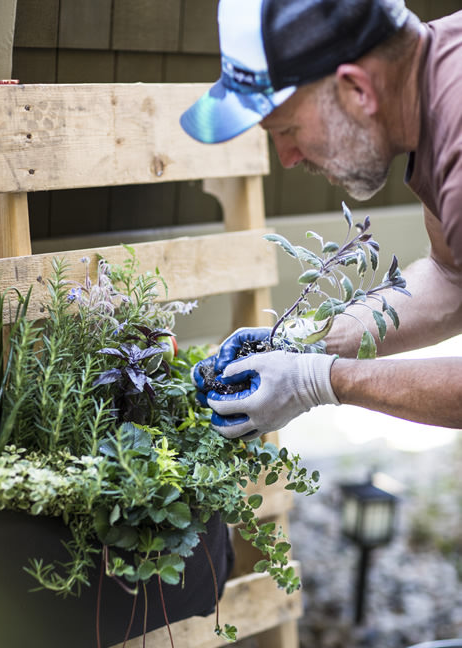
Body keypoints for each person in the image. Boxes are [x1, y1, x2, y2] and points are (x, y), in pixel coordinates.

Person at [180, 0, 462, 440]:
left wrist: (317, 381)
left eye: (288, 129)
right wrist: (307, 341)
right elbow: (452, 277)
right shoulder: (436, 76)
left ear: (356, 90)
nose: (287, 159)